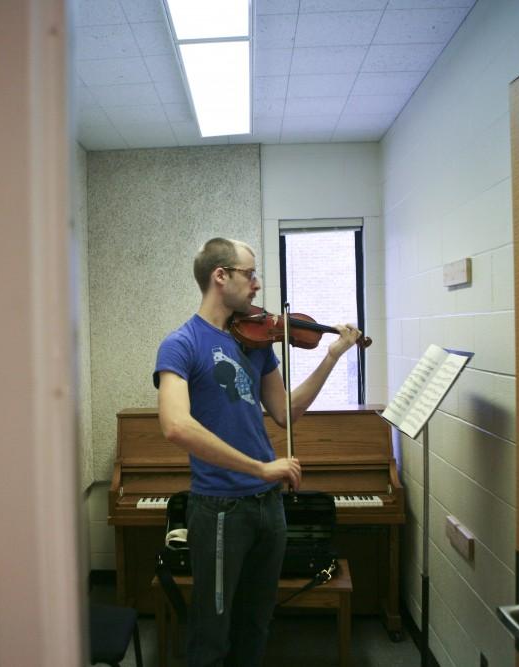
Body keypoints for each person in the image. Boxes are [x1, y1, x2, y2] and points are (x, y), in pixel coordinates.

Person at [153, 237, 362, 666]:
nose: (257, 285)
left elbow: (286, 412)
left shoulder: (256, 341)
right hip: (220, 510)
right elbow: (175, 425)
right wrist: (261, 468)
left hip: (268, 508)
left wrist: (331, 356)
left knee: (256, 625)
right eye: (250, 274)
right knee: (211, 634)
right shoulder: (181, 344)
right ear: (221, 276)